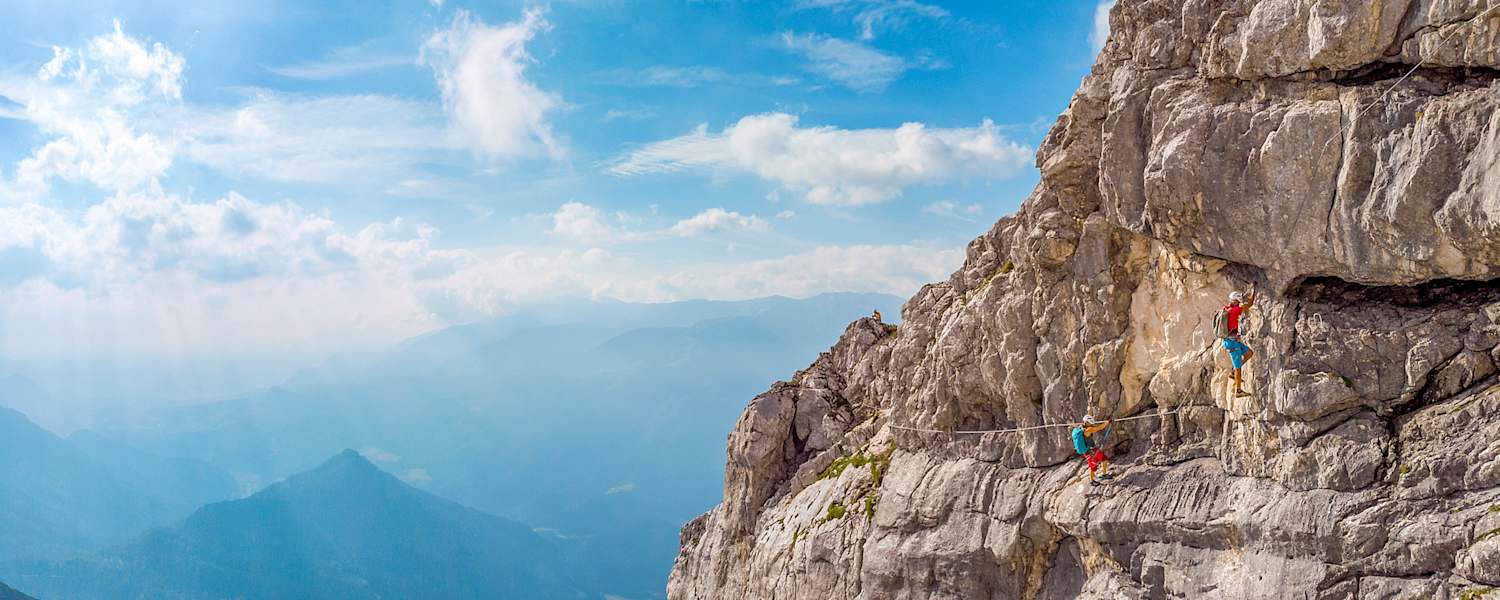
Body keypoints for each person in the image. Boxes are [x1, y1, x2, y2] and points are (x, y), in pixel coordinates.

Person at [1220, 290, 1256, 397]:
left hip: (1232, 340)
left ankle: (1233, 372)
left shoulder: (1225, 308)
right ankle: (1238, 390)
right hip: (1232, 343)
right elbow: (1249, 304)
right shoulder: (1235, 310)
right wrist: (1253, 293)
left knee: (1249, 353)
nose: (1239, 303)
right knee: (1238, 368)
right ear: (1236, 301)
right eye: (1238, 301)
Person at [1071, 415, 1113, 485]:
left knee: (1104, 459)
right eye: (1091, 423)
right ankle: (1091, 481)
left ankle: (1104, 475)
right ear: (1087, 423)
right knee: (1093, 466)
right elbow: (1099, 428)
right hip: (1089, 452)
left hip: (1093, 449)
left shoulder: (1081, 427)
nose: (1092, 424)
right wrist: (1107, 422)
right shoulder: (1088, 430)